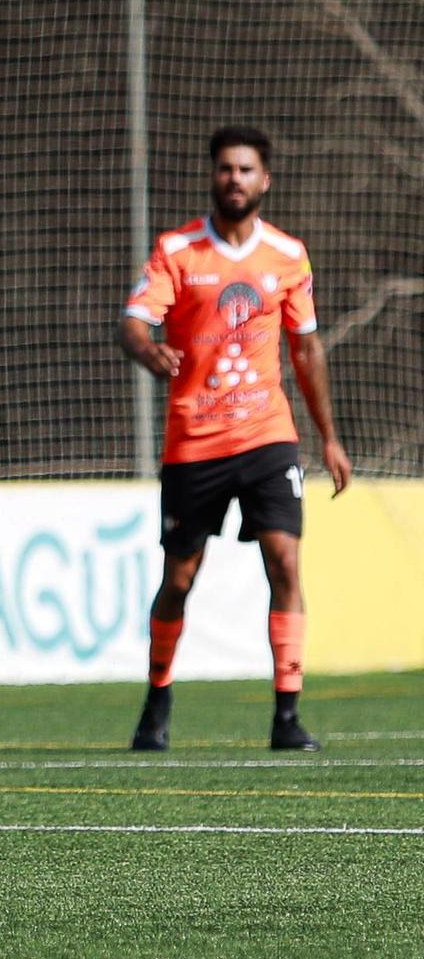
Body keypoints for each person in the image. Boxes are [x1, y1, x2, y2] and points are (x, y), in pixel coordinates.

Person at [119, 126, 352, 752]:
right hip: (194, 441)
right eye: (226, 169)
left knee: (285, 560)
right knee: (180, 576)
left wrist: (328, 437)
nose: (235, 179)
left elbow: (305, 348)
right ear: (212, 176)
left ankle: (287, 715)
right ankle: (158, 700)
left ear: (264, 179)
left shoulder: (287, 255)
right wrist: (149, 352)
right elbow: (135, 322)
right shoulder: (178, 250)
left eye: (246, 170)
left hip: (267, 435)